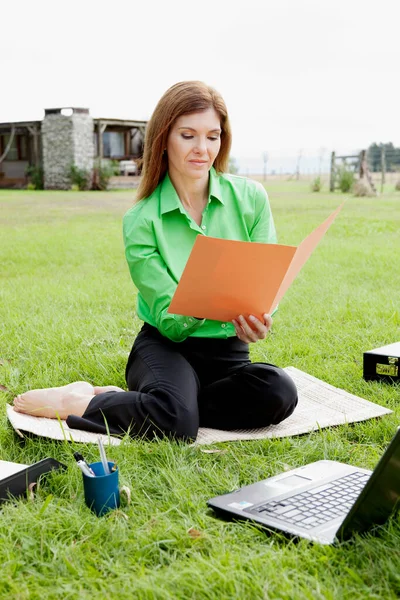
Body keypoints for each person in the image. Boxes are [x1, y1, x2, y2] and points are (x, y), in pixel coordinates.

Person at [13, 81, 298, 441]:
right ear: (164, 138)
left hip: (228, 351)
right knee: (177, 424)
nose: (202, 149)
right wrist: (207, 292)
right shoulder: (141, 220)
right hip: (165, 346)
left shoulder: (251, 198)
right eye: (188, 135)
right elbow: (170, 320)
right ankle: (80, 402)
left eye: (213, 136)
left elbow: (262, 283)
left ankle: (157, 405)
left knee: (279, 392)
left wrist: (257, 320)